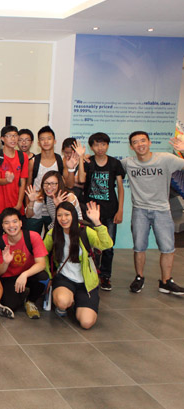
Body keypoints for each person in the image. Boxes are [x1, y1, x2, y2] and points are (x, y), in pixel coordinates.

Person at [123, 131, 184, 295]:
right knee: (139, 246)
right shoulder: (128, 163)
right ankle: (139, 277)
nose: (140, 144)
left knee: (168, 248)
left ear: (149, 142)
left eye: (143, 141)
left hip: (162, 210)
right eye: (135, 142)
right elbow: (108, 166)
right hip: (139, 211)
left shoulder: (165, 159)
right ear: (131, 146)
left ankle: (166, 281)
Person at [44, 202, 112, 329]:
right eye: (59, 215)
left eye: (67, 215)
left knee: (86, 323)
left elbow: (106, 244)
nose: (63, 219)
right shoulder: (53, 233)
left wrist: (97, 223)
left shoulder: (85, 231)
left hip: (86, 282)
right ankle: (65, 303)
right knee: (62, 301)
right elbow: (42, 253)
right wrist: (48, 276)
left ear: (74, 215)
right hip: (64, 278)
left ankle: (79, 303)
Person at [75, 133, 125, 290]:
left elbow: (121, 188)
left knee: (108, 246)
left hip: (110, 211)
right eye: (96, 145)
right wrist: (81, 159)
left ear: (108, 145)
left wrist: (120, 209)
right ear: (91, 147)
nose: (100, 148)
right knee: (90, 246)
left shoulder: (115, 163)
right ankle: (92, 273)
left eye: (103, 144)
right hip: (90, 211)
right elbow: (82, 179)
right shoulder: (88, 162)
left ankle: (105, 276)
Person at [0, 207, 49, 319]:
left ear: (21, 223)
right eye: (7, 223)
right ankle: (20, 294)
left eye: (14, 221)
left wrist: (25, 274)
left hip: (28, 275)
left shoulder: (33, 237)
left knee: (43, 277)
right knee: (11, 305)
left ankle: (30, 301)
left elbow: (42, 264)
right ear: (3, 226)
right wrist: (6, 262)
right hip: (10, 277)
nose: (11, 226)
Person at [0, 126, 28, 255]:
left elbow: (23, 182)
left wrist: (19, 203)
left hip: (16, 206)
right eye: (9, 136)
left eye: (15, 136)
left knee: (16, 242)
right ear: (3, 139)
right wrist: (7, 180)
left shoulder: (22, 156)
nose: (13, 138)